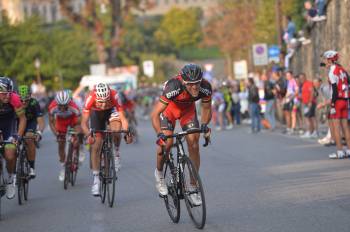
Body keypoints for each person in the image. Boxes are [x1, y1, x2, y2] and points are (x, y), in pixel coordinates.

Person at [151, 64, 212, 205]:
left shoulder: (206, 86)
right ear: (184, 82)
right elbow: (154, 114)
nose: (195, 87)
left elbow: (207, 108)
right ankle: (159, 174)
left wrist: (204, 125)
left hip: (187, 111)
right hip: (169, 111)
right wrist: (159, 134)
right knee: (167, 144)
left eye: (197, 83)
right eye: (191, 84)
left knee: (194, 143)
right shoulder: (174, 86)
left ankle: (192, 186)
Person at [81, 83, 132, 196]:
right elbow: (83, 123)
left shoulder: (115, 96)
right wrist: (88, 135)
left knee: (116, 130)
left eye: (106, 101)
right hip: (96, 114)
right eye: (101, 101)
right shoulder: (90, 98)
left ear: (109, 96)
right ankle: (96, 181)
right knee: (96, 146)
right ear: (96, 98)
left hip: (112, 111)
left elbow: (123, 118)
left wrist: (127, 132)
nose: (103, 104)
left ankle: (116, 151)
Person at [320, 51, 350, 159]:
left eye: (325, 59)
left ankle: (340, 151)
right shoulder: (342, 70)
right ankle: (349, 150)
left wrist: (332, 105)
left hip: (337, 101)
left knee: (336, 128)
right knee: (346, 127)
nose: (324, 61)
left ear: (330, 59)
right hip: (345, 100)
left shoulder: (332, 71)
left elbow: (335, 91)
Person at [0, 77, 26, 199]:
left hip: (9, 126)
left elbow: (22, 119)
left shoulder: (14, 99)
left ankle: (10, 178)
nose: (7, 96)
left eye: (9, 93)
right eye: (4, 94)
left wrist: (19, 136)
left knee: (10, 154)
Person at [48, 90, 81, 181]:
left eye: (65, 105)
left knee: (76, 139)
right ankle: (63, 167)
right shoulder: (52, 107)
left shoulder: (73, 106)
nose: (62, 108)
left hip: (73, 120)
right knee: (61, 143)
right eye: (60, 106)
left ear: (68, 102)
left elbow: (80, 121)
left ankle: (77, 154)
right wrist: (56, 134)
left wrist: (76, 132)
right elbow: (51, 123)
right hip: (61, 122)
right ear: (57, 103)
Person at [17, 85, 45, 178]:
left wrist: (39, 132)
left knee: (29, 139)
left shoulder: (34, 103)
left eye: (26, 100)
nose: (24, 102)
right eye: (21, 100)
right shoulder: (14, 103)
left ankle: (32, 167)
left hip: (30, 123)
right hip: (17, 123)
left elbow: (40, 121)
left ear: (30, 97)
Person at [299, 74, 318, 138]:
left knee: (311, 118)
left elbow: (312, 92)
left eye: (302, 78)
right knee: (308, 118)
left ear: (305, 77)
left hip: (310, 103)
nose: (301, 79)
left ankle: (312, 132)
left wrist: (310, 101)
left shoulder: (308, 83)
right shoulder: (303, 85)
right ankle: (311, 132)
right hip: (305, 103)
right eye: (300, 78)